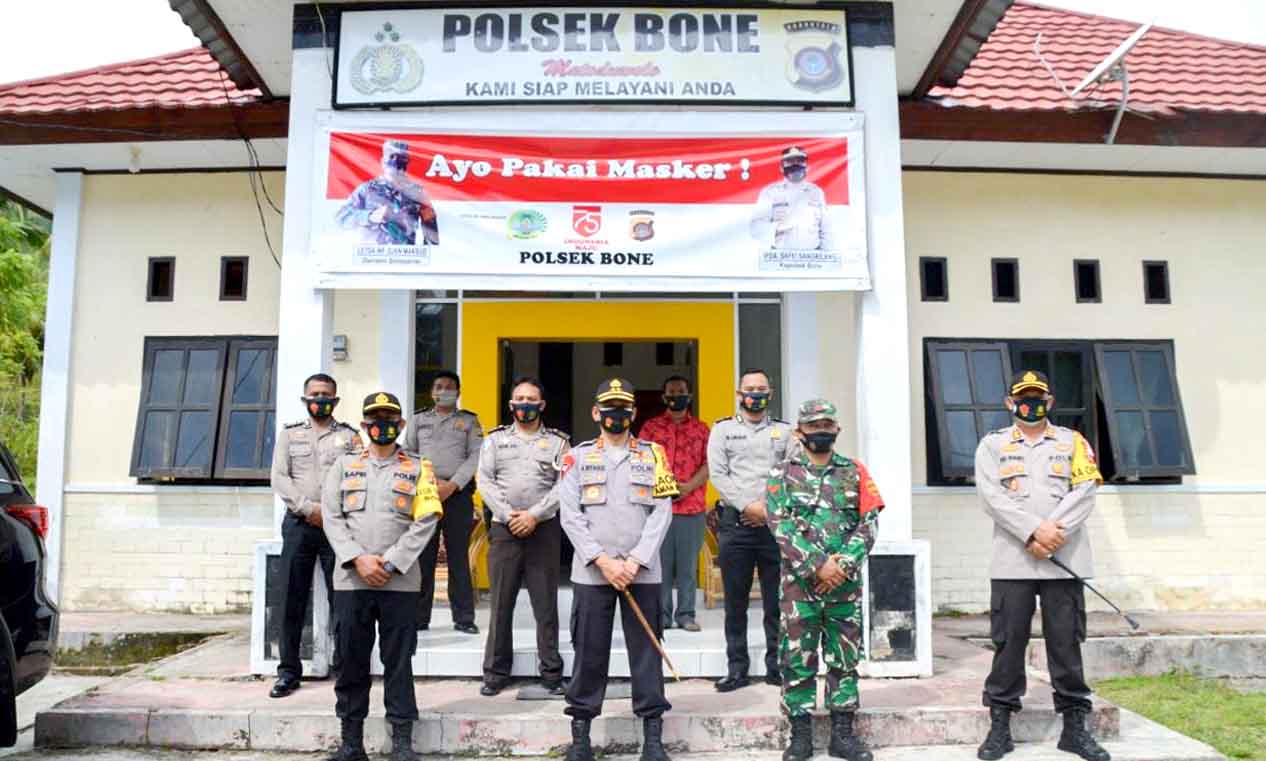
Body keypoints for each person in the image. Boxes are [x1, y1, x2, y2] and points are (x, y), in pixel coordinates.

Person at [974, 370, 1110, 761]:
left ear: (1049, 402)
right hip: (1013, 561)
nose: (1030, 404)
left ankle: (1075, 729)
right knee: (1008, 644)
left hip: (1063, 560)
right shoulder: (993, 445)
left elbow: (1086, 491)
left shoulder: (1073, 442)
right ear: (1009, 403)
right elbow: (991, 497)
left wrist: (1052, 533)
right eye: (1023, 398)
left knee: (1066, 644)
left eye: (1037, 397)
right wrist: (1033, 531)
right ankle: (1000, 728)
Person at [320, 392, 442, 761]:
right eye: (375, 419)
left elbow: (427, 519)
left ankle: (402, 742)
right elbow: (331, 516)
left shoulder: (419, 468)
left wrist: (389, 563)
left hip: (400, 582)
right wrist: (358, 559)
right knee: (350, 660)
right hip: (352, 580)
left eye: (390, 419)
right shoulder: (343, 466)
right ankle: (351, 743)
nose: (382, 425)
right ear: (364, 424)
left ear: (401, 425)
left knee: (398, 662)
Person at [559, 378, 677, 761]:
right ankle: (581, 738)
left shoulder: (654, 455)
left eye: (623, 408)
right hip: (593, 573)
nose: (616, 414)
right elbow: (570, 515)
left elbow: (662, 511)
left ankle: (653, 739)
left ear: (633, 412)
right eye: (609, 407)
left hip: (642, 572)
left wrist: (635, 560)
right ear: (596, 412)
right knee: (589, 652)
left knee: (647, 653)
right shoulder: (576, 458)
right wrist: (603, 561)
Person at [769, 399, 883, 761]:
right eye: (813, 425)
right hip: (799, 587)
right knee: (797, 659)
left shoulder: (855, 471)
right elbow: (780, 525)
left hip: (844, 589)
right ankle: (800, 736)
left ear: (837, 429)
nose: (821, 431)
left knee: (844, 660)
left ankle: (842, 736)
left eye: (827, 425)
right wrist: (819, 566)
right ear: (799, 432)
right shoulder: (781, 474)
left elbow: (869, 524)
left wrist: (842, 566)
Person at [476, 376, 570, 697]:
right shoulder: (494, 440)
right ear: (511, 404)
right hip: (505, 530)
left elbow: (564, 484)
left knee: (545, 605)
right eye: (520, 399)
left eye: (531, 399)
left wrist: (534, 515)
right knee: (501, 603)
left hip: (543, 530)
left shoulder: (559, 442)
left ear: (542, 405)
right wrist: (508, 515)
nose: (524, 404)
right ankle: (495, 673)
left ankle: (551, 672)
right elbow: (485, 481)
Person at [269, 373, 361, 699]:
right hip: (299, 524)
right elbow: (279, 478)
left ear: (335, 400)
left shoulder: (350, 437)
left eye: (326, 395)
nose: (320, 399)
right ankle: (288, 672)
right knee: (291, 598)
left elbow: (358, 478)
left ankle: (345, 668)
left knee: (343, 598)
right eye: (315, 394)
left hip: (338, 527)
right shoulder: (289, 435)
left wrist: (331, 512)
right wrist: (309, 509)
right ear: (305, 399)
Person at [707, 368, 793, 691]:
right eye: (749, 389)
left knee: (776, 601)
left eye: (761, 389)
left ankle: (777, 667)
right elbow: (718, 474)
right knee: (736, 603)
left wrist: (767, 510)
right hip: (735, 525)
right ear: (739, 394)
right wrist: (747, 506)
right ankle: (737, 669)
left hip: (775, 525)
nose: (755, 394)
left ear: (770, 394)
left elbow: (791, 473)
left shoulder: (785, 432)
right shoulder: (722, 431)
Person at [405, 370, 482, 635]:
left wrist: (452, 485)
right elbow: (408, 454)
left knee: (458, 557)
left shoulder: (469, 421)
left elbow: (475, 456)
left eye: (449, 387)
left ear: (458, 392)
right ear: (432, 392)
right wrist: (429, 482)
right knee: (423, 556)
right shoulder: (418, 420)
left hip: (458, 495)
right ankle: (418, 618)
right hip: (425, 494)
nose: (444, 391)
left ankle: (464, 618)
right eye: (439, 386)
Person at [637, 375, 710, 632]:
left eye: (681, 392)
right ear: (663, 396)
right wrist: (664, 487)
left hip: (692, 508)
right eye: (671, 392)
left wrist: (688, 487)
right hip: (658, 507)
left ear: (689, 396)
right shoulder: (651, 428)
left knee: (688, 567)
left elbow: (709, 464)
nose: (676, 396)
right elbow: (640, 461)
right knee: (661, 566)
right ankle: (663, 615)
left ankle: (686, 615)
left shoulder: (702, 429)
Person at [335, 139, 439, 246]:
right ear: (382, 161)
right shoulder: (367, 190)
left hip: (405, 254)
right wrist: (369, 216)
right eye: (391, 156)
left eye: (401, 158)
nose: (395, 162)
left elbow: (431, 230)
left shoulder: (418, 193)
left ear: (406, 162)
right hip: (372, 253)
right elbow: (341, 218)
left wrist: (428, 253)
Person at [749, 146, 835, 251]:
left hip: (812, 257)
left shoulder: (816, 192)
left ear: (807, 166)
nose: (795, 165)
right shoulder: (770, 193)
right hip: (781, 257)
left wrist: (827, 255)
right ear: (781, 167)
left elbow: (826, 229)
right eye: (790, 161)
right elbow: (756, 227)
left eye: (800, 161)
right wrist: (778, 227)